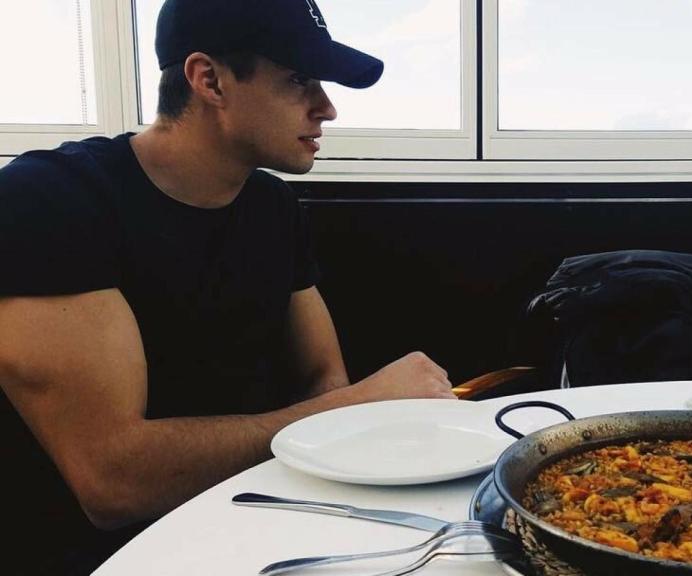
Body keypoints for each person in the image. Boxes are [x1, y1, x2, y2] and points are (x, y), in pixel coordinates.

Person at [0, 0, 455, 573]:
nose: (328, 108)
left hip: (259, 525)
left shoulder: (272, 205)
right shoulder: (49, 202)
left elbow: (322, 380)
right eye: (299, 80)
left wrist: (351, 427)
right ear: (209, 79)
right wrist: (359, 406)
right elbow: (112, 481)